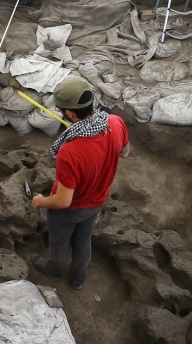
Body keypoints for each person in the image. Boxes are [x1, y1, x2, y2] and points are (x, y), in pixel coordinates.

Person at [31, 76, 130, 290]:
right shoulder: (114, 122)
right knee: (83, 241)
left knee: (59, 242)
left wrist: (40, 202)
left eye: (59, 108)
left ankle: (55, 270)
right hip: (96, 201)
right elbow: (125, 152)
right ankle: (78, 279)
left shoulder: (69, 151)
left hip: (70, 210)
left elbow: (64, 201)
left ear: (69, 113)